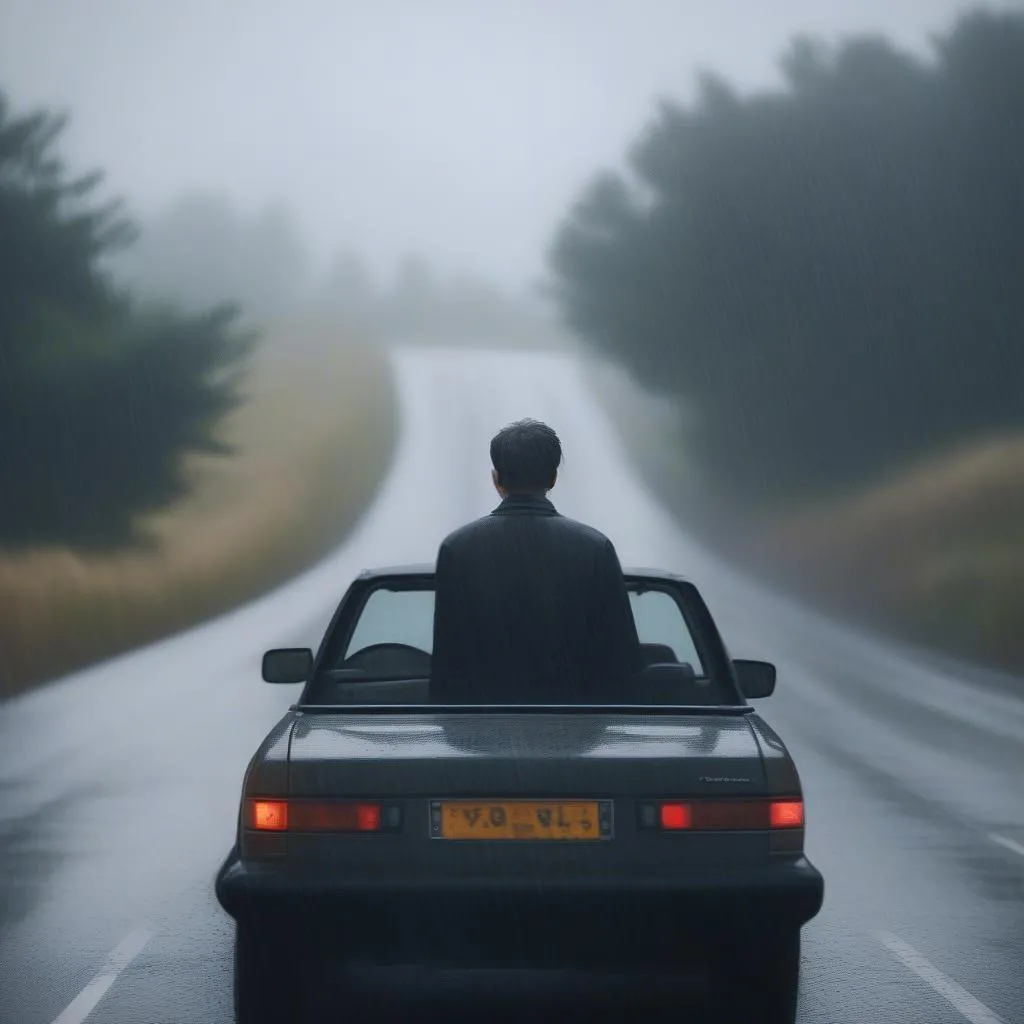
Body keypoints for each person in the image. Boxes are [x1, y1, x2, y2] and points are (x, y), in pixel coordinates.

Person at [430, 418, 643, 704]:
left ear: (497, 478)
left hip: (482, 726)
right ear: (553, 478)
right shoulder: (595, 547)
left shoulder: (457, 548)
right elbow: (621, 657)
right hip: (577, 727)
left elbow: (447, 661)